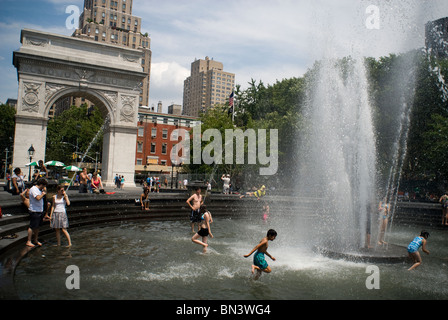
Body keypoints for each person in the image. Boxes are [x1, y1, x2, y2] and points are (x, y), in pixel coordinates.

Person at [26, 178, 48, 247]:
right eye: (44, 186)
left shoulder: (39, 190)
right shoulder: (34, 189)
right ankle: (29, 241)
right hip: (34, 210)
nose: (44, 188)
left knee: (37, 226)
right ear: (41, 184)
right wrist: (43, 194)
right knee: (32, 226)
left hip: (39, 210)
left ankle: (35, 239)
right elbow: (38, 198)